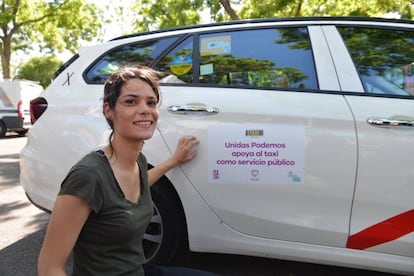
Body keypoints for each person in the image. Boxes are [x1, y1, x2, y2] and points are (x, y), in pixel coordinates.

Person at [38, 65, 218, 276]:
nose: (145, 109)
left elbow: (140, 182)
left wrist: (173, 161)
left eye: (151, 102)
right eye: (131, 101)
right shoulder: (87, 177)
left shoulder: (138, 162)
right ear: (109, 110)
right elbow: (49, 267)